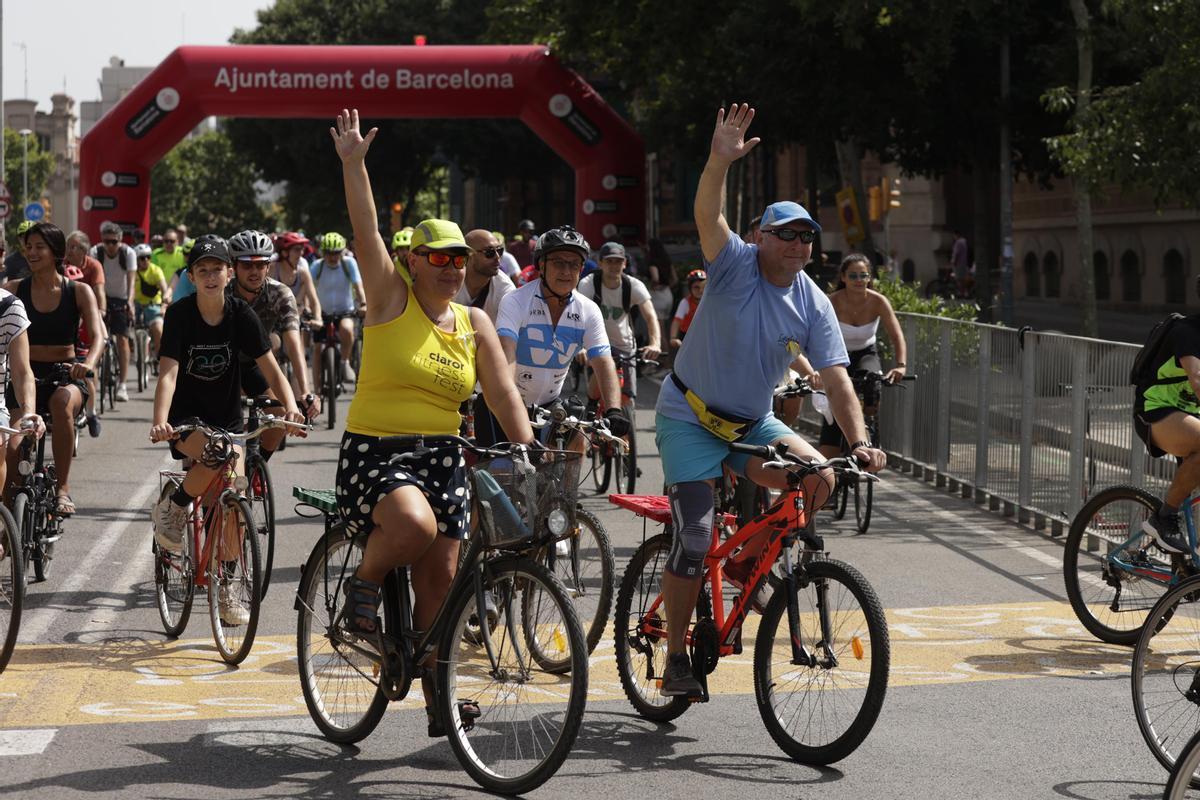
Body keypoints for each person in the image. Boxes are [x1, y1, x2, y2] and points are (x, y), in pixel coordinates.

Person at [655, 104, 886, 697]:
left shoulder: (813, 302)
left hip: (749, 422)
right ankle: (676, 657)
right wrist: (718, 161)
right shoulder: (733, 264)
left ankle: (743, 563)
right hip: (688, 417)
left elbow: (837, 380)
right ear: (761, 237)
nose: (797, 244)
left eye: (807, 236)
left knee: (819, 479)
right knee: (695, 538)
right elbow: (707, 213)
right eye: (785, 234)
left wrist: (859, 442)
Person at [329, 109, 536, 734]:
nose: (450, 266)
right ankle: (363, 583)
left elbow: (502, 396)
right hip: (378, 452)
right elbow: (365, 231)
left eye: (459, 258)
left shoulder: (473, 324)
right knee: (413, 527)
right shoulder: (391, 299)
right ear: (413, 261)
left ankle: (437, 696)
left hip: (444, 455)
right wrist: (354, 164)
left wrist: (529, 450)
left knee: (443, 582)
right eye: (438, 257)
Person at [149, 235, 305, 625]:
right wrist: (161, 419)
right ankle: (175, 505)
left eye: (217, 269)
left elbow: (271, 368)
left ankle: (228, 585)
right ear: (192, 276)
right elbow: (168, 372)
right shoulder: (181, 314)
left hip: (227, 417)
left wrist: (291, 409)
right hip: (187, 417)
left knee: (234, 499)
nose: (211, 276)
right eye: (203, 270)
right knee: (219, 455)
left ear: (227, 273)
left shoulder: (240, 315)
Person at [3, 223, 103, 517]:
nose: (31, 252)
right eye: (28, 247)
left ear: (56, 252)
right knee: (12, 443)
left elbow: (98, 336)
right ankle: (11, 520)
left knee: (61, 403)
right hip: (25, 375)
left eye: (39, 247)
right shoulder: (13, 289)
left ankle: (63, 488)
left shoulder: (79, 291)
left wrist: (88, 364)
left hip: (66, 374)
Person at [495, 225, 627, 440]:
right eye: (558, 263)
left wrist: (614, 409)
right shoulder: (516, 300)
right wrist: (510, 403)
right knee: (504, 468)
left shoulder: (588, 309)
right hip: (503, 401)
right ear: (541, 265)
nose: (567, 271)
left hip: (549, 404)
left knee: (578, 441)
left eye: (574, 264)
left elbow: (603, 361)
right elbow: (505, 354)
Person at [226, 229, 320, 451]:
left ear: (269, 266)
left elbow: (294, 341)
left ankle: (256, 470)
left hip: (254, 365)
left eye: (260, 265)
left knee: (280, 419)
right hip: (221, 366)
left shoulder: (280, 293)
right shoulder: (223, 293)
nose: (254, 271)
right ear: (234, 267)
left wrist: (305, 391)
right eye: (247, 265)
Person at [812, 253, 908, 458]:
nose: (859, 281)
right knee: (836, 398)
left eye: (863, 276)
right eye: (853, 276)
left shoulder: (878, 301)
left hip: (866, 352)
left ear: (869, 278)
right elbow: (814, 335)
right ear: (843, 278)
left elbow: (896, 334)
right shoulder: (831, 302)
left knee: (872, 380)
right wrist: (814, 369)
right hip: (837, 355)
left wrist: (901, 365)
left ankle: (870, 426)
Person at [1134, 286, 1200, 555]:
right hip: (1157, 410)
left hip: (1191, 416)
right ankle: (1164, 517)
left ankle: (1185, 569)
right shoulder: (1188, 332)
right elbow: (1197, 381)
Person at [577, 241, 661, 419]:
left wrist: (655, 343)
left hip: (625, 345)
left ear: (625, 263)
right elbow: (578, 316)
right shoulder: (589, 284)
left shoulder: (633, 285)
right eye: (609, 261)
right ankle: (591, 410)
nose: (614, 266)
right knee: (597, 388)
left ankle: (627, 438)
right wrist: (581, 346)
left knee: (629, 399)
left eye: (618, 261)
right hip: (596, 343)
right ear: (600, 263)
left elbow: (650, 316)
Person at [457, 229, 516, 445]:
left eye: (500, 250)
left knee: (490, 443)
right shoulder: (452, 279)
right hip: (449, 357)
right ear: (469, 256)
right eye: (490, 253)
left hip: (485, 358)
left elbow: (508, 340)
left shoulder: (505, 288)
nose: (498, 258)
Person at [64, 231, 106, 437]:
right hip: (67, 320)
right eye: (67, 246)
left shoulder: (94, 266)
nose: (69, 250)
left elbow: (99, 291)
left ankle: (91, 413)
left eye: (73, 247)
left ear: (83, 250)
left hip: (90, 314)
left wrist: (101, 313)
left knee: (88, 367)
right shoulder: (61, 265)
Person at [310, 231, 365, 384]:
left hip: (345, 310)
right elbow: (308, 288)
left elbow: (358, 286)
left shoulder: (349, 263)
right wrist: (308, 308)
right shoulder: (317, 266)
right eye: (329, 253)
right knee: (317, 349)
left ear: (342, 251)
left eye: (336, 253)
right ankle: (316, 392)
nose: (333, 257)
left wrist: (364, 304)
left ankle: (344, 363)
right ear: (323, 252)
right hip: (322, 313)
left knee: (347, 329)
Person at [90, 221, 136, 402]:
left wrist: (130, 302)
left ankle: (122, 385)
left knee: (122, 340)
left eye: (113, 242)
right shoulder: (96, 252)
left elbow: (132, 281)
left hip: (121, 299)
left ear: (120, 241)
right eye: (106, 241)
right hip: (101, 298)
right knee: (97, 337)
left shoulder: (128, 253)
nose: (110, 245)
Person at [133, 242, 170, 364]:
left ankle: (159, 358)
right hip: (136, 306)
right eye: (142, 258)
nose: (145, 260)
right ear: (136, 259)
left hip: (153, 305)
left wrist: (165, 301)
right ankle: (138, 353)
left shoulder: (156, 270)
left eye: (148, 257)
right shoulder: (132, 272)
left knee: (159, 329)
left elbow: (164, 288)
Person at [669, 269, 707, 350]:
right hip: (687, 336)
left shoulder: (710, 302)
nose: (700, 290)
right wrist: (673, 337)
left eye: (703, 287)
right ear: (690, 288)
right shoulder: (685, 303)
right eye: (696, 287)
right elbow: (677, 321)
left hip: (705, 335)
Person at [950, 229, 969, 297]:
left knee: (958, 279)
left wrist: (953, 261)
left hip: (958, 263)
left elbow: (956, 253)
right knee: (962, 278)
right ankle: (964, 292)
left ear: (956, 235)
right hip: (963, 263)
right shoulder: (964, 241)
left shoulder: (958, 242)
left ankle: (961, 292)